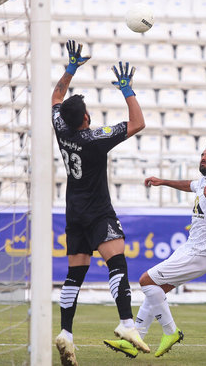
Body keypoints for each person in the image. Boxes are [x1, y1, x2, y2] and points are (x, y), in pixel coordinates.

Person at [104, 143, 206, 358]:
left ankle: (171, 332)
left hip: (201, 252)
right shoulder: (204, 181)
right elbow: (188, 185)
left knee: (146, 281)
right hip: (191, 248)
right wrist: (163, 181)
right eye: (202, 154)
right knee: (156, 291)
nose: (203, 157)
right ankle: (135, 340)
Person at [52, 40, 149, 366]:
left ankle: (66, 333)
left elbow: (56, 98)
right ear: (86, 118)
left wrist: (70, 68)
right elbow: (137, 124)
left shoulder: (61, 128)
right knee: (116, 261)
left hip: (73, 211)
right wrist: (126, 89)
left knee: (74, 274)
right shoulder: (93, 139)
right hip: (97, 211)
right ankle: (126, 323)